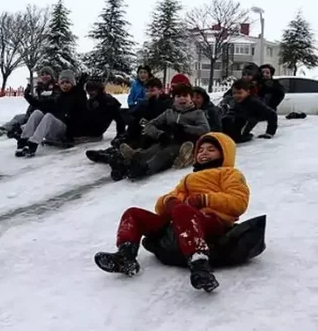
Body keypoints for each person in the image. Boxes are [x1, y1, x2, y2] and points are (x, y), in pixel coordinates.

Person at [94, 132, 249, 292]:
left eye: (211, 150)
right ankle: (125, 256)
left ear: (225, 153)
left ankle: (199, 264)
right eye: (201, 150)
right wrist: (167, 202)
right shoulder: (188, 179)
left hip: (211, 222)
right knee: (133, 213)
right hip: (181, 222)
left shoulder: (230, 174)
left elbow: (239, 202)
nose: (204, 153)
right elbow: (165, 204)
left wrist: (205, 199)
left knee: (182, 210)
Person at [118, 84, 209, 179]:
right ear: (174, 99)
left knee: (164, 154)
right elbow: (149, 125)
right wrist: (160, 134)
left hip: (184, 143)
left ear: (190, 98)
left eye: (185, 95)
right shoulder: (169, 113)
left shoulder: (197, 113)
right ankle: (134, 158)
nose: (182, 98)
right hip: (168, 140)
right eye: (178, 96)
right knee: (153, 149)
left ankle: (146, 168)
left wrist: (185, 128)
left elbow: (205, 129)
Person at [16, 70, 87, 157]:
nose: (65, 85)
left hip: (66, 131)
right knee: (37, 113)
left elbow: (80, 111)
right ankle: (23, 140)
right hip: (54, 130)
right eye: (62, 83)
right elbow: (43, 105)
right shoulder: (59, 96)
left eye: (67, 82)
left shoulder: (78, 94)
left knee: (49, 116)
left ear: (73, 83)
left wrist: (80, 87)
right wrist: (29, 97)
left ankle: (33, 144)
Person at [3, 66, 58, 139]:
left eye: (47, 74)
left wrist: (36, 101)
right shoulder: (39, 88)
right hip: (33, 112)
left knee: (24, 122)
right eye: (42, 75)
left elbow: (45, 104)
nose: (44, 76)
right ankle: (4, 129)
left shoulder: (55, 88)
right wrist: (27, 95)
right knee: (18, 117)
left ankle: (16, 131)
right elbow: (35, 102)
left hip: (43, 115)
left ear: (51, 76)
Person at [221, 79, 278, 143]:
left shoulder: (254, 102)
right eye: (234, 93)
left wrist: (269, 133)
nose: (236, 95)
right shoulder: (238, 101)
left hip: (246, 122)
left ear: (248, 92)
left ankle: (241, 137)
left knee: (238, 121)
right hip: (238, 123)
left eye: (239, 93)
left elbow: (272, 114)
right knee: (225, 119)